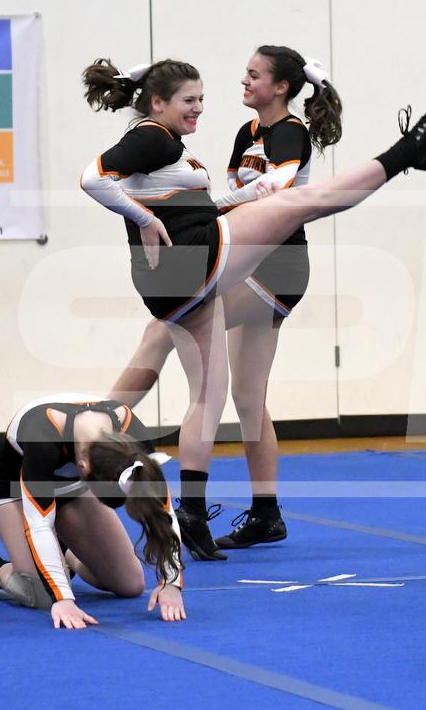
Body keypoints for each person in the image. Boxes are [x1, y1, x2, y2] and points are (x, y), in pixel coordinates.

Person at [79, 57, 426, 561]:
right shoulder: (158, 138)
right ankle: (408, 151)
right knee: (304, 205)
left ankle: (187, 505)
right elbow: (95, 178)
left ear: (282, 86)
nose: (201, 107)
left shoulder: (273, 131)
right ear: (158, 103)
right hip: (199, 262)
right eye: (190, 100)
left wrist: (251, 192)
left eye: (202, 99)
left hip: (221, 271)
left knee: (214, 393)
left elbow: (256, 187)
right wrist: (145, 218)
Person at [107, 45, 343, 550]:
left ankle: (98, 427)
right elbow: (242, 192)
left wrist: (225, 203)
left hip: (276, 266)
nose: (245, 81)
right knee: (248, 398)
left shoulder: (290, 131)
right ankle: (267, 513)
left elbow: (277, 186)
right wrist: (218, 205)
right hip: (248, 260)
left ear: (280, 87)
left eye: (254, 75)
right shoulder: (247, 133)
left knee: (163, 328)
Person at [0, 394, 185, 627]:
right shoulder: (41, 437)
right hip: (12, 487)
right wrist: (62, 599)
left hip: (70, 485)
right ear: (83, 466)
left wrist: (171, 581)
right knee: (42, 594)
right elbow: (38, 524)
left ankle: (64, 555)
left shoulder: (132, 435)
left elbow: (161, 512)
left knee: (130, 584)